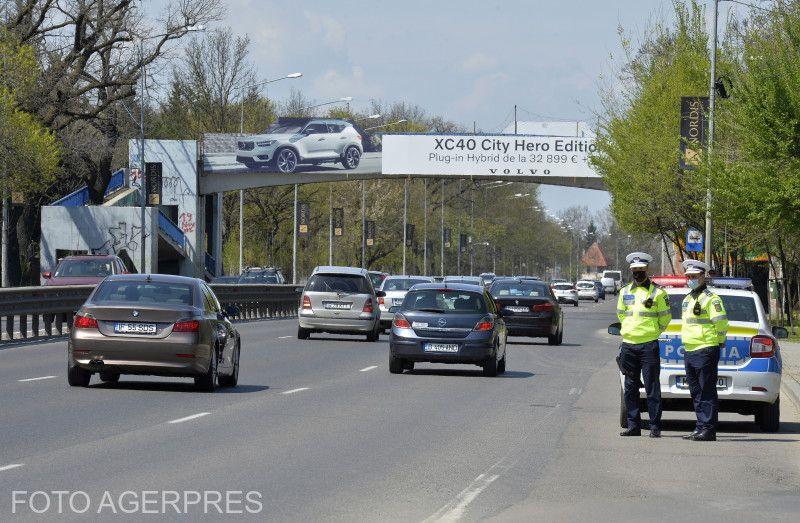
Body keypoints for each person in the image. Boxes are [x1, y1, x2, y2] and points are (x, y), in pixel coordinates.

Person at [617, 252, 672, 438]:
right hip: (629, 346)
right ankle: (633, 426)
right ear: (631, 270)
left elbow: (665, 319)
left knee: (652, 387)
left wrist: (653, 332)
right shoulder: (624, 292)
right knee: (630, 388)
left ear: (647, 269)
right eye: (635, 270)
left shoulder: (658, 293)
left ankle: (655, 426)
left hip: (648, 345)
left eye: (641, 270)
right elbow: (621, 315)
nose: (638, 273)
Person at [680, 259, 729, 441]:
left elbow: (721, 323)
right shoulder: (687, 299)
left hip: (706, 348)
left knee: (706, 390)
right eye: (688, 276)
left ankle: (708, 429)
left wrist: (720, 340)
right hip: (690, 349)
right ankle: (700, 426)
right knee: (696, 391)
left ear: (703, 277)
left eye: (694, 276)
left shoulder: (712, 299)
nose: (690, 279)